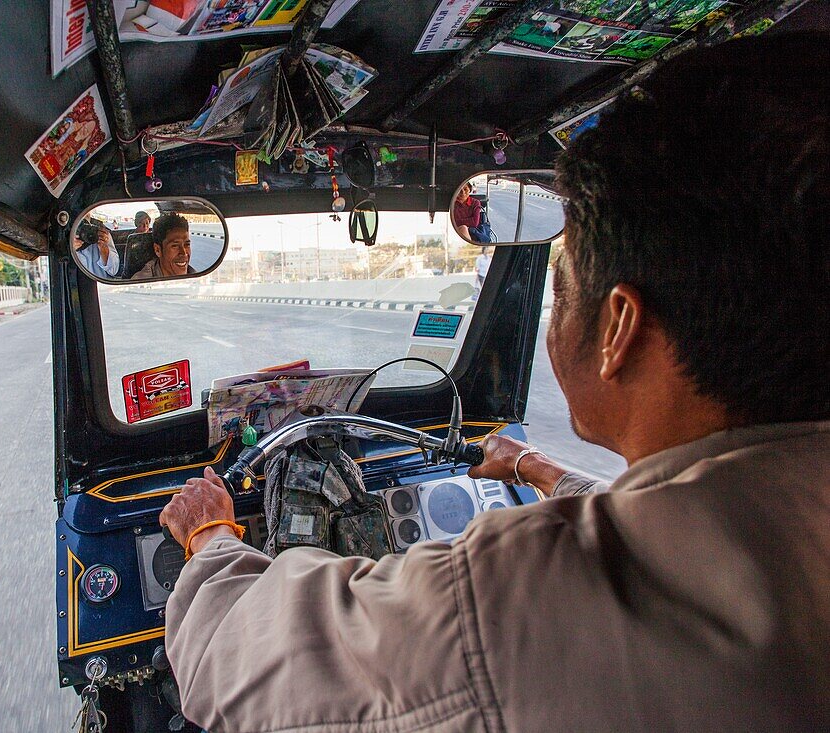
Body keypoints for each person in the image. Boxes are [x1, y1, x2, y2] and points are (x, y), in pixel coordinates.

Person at [158, 35, 829, 732]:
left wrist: (210, 538)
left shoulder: (519, 592)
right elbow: (678, 531)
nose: (551, 315)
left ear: (619, 327)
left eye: (560, 289)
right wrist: (536, 467)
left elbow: (234, 658)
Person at [131, 212, 196, 279]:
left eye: (187, 244)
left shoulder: (197, 278)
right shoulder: (141, 283)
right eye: (175, 246)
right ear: (157, 250)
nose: (184, 253)